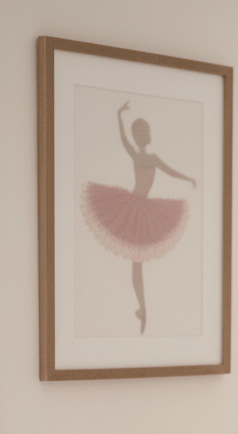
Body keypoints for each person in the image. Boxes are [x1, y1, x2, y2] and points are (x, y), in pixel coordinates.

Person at [80, 100, 196, 334]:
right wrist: (188, 179)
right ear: (145, 136)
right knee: (137, 264)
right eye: (145, 132)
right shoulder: (149, 158)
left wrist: (118, 113)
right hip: (136, 208)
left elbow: (124, 139)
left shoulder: (140, 157)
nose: (146, 135)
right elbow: (170, 171)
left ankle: (143, 310)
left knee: (137, 264)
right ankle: (143, 310)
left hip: (138, 208)